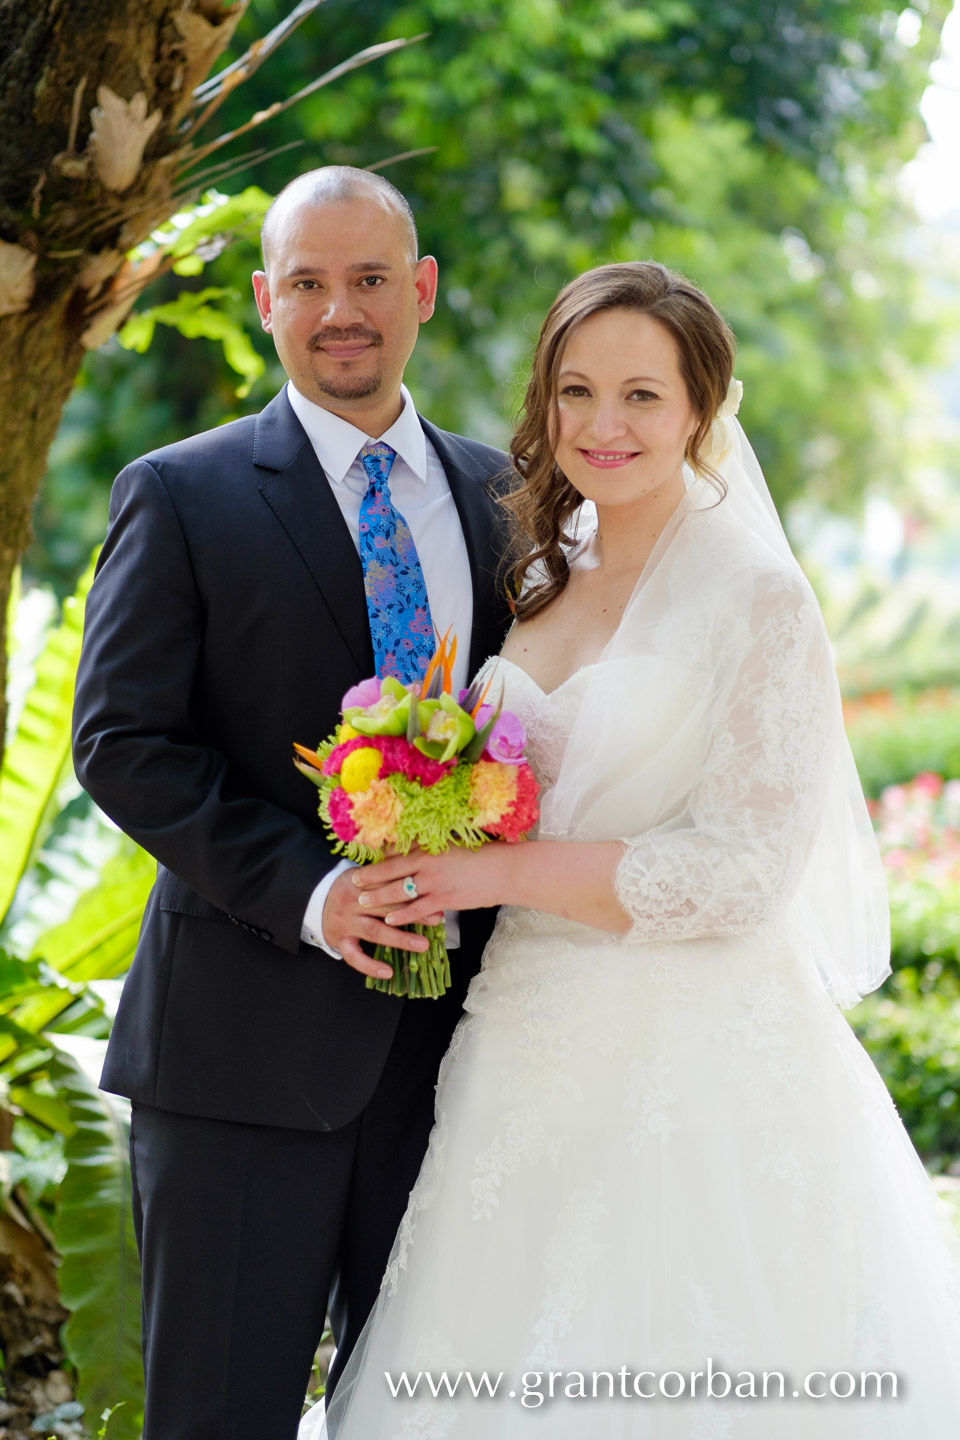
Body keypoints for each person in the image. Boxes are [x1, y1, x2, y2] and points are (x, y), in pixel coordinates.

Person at [302, 261, 960, 1438]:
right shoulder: (546, 573)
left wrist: (486, 873)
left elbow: (744, 872)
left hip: (691, 1064)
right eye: (577, 392)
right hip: (518, 1044)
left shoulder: (759, 598)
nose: (603, 427)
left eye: (643, 397)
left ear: (704, 408)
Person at [71, 166, 512, 1440]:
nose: (341, 310)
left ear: (420, 291)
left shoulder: (507, 499)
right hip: (236, 1062)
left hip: (457, 1065)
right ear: (267, 301)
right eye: (309, 282)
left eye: (370, 278)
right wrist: (315, 892)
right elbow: (121, 741)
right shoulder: (181, 493)